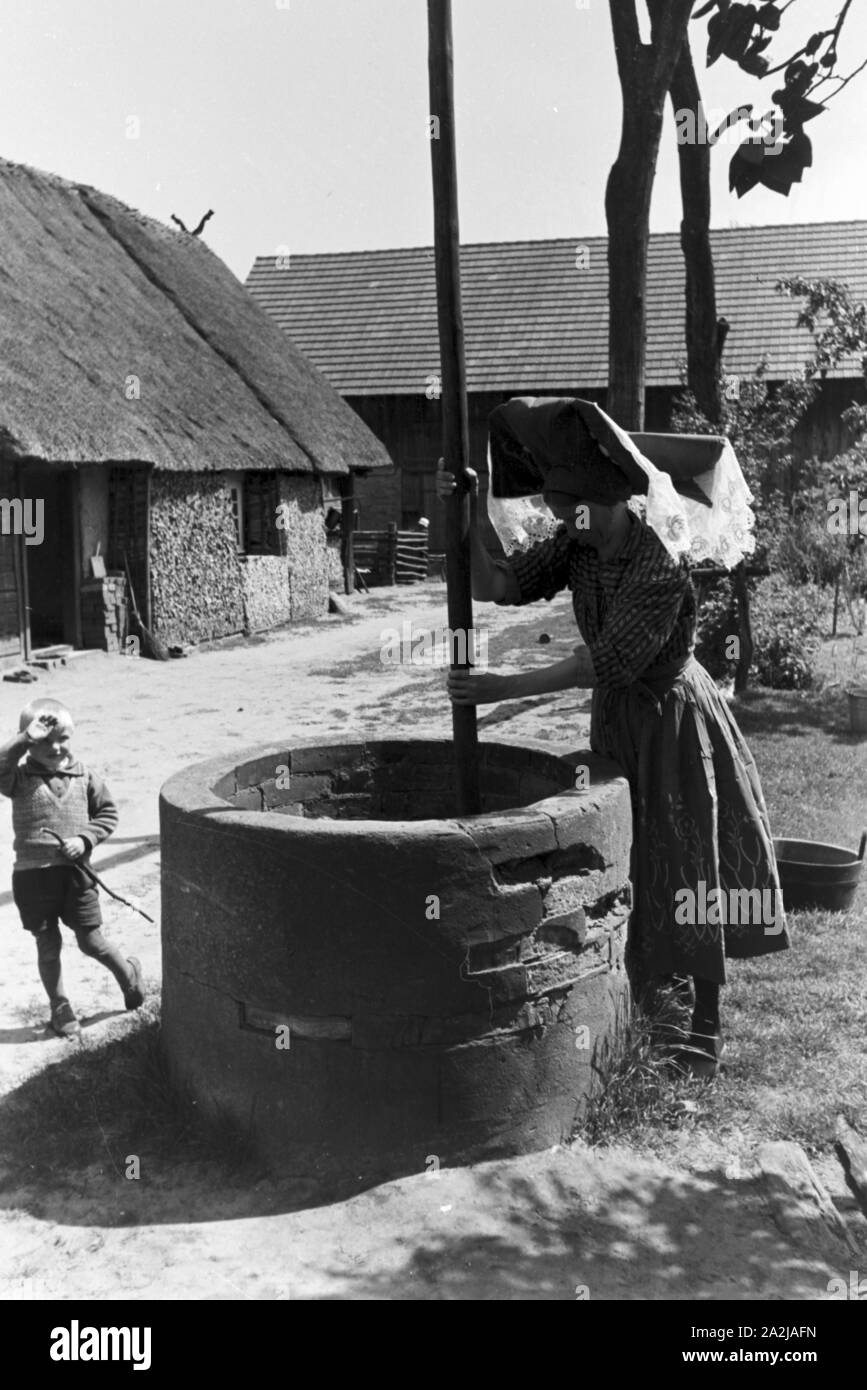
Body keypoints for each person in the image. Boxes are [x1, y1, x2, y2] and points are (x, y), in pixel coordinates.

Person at [436, 396, 789, 1079]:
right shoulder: (577, 546)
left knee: (688, 855)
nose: (567, 519)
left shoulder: (656, 562)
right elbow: (496, 582)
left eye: (577, 508)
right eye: (561, 507)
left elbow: (603, 662)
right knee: (629, 850)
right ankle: (647, 996)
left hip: (669, 717)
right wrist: (470, 509)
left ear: (615, 501)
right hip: (618, 719)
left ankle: (705, 1025)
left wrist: (498, 690)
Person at [0, 698, 143, 1039]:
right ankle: (60, 1007)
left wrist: (85, 838)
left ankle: (128, 977)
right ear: (29, 744)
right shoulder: (18, 779)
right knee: (47, 945)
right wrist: (22, 739)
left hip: (76, 875)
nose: (56, 747)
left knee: (91, 941)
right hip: (33, 878)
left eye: (62, 738)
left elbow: (108, 814)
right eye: (44, 741)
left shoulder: (85, 776)